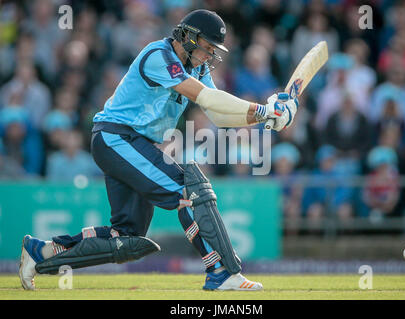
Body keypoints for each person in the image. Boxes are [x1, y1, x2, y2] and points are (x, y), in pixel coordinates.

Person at [19, 9, 298, 291]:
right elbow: (206, 97)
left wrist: (266, 118)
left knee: (126, 237)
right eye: (207, 46)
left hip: (128, 143)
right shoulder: (159, 56)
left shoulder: (196, 66)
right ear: (188, 37)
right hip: (117, 138)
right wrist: (263, 109)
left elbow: (218, 114)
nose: (210, 55)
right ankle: (221, 272)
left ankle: (41, 252)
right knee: (190, 193)